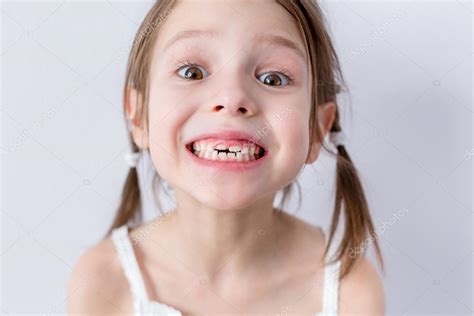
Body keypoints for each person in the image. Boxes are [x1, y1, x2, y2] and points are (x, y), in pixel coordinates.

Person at [68, 0, 385, 314]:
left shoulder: (351, 290)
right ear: (138, 117)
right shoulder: (103, 283)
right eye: (192, 72)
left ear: (317, 128)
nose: (232, 98)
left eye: (273, 79)